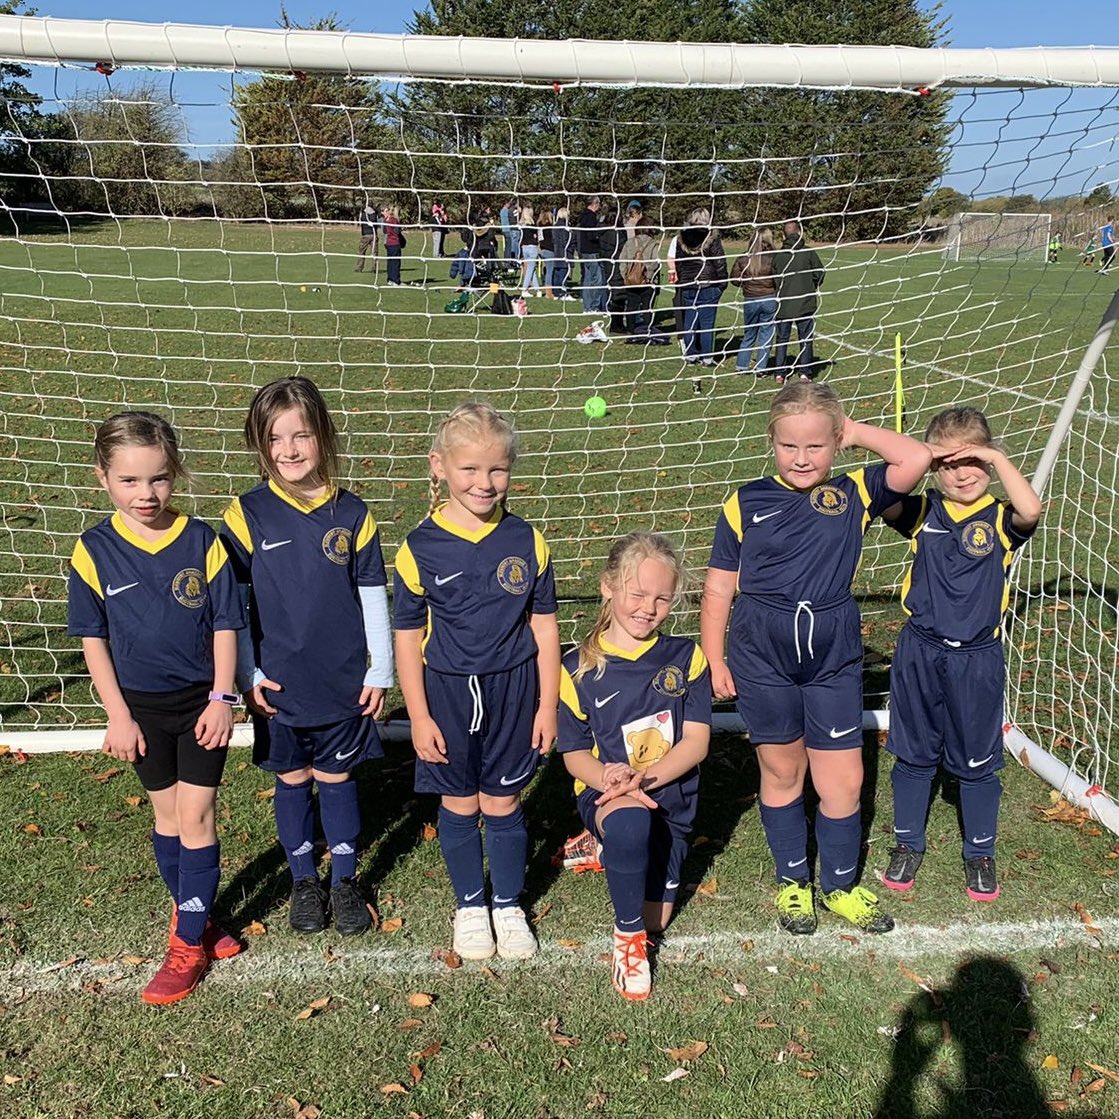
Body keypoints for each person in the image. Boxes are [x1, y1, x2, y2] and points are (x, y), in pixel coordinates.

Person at [700, 382, 931, 936]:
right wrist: (714, 656)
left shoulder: (854, 491)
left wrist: (851, 432)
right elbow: (717, 588)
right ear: (771, 444)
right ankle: (794, 882)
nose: (802, 459)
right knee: (783, 770)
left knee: (844, 781)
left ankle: (842, 886)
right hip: (762, 652)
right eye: (789, 446)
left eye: (816, 446)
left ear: (834, 444)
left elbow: (916, 457)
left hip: (831, 652)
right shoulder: (745, 501)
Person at [68, 412, 245, 1005]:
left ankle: (186, 945)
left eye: (160, 480)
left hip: (200, 707)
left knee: (197, 819)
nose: (146, 494)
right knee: (167, 820)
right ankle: (197, 919)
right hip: (140, 712)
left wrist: (224, 697)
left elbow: (226, 623)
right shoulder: (93, 550)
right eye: (130, 482)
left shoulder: (202, 542)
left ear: (176, 475)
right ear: (103, 478)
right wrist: (117, 714)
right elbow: (94, 640)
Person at [222, 377, 393, 938]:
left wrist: (380, 669)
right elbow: (234, 606)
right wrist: (249, 673)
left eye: (302, 435)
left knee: (337, 777)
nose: (290, 450)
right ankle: (302, 880)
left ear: (323, 435)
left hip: (342, 680)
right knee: (292, 779)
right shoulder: (246, 514)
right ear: (260, 445)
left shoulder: (352, 513)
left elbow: (372, 594)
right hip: (278, 685)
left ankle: (344, 880)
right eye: (276, 439)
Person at [394, 403, 561, 962]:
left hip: (514, 691)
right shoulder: (419, 547)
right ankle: (470, 905)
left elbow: (543, 625)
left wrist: (547, 704)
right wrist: (417, 714)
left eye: (497, 470)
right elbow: (407, 637)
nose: (484, 483)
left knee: (504, 799)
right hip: (445, 693)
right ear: (439, 466)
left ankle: (508, 904)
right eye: (469, 470)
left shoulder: (527, 540)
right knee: (460, 803)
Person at [879, 407, 1041, 902]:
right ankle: (907, 843)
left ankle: (980, 852)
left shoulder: (1001, 520)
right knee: (913, 753)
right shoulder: (923, 512)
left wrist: (993, 454)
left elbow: (1031, 510)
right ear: (933, 468)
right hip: (920, 652)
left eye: (973, 461)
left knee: (976, 761)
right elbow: (886, 494)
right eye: (949, 463)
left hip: (977, 658)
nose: (963, 472)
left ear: (990, 463)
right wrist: (921, 455)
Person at [558, 533, 711, 1001]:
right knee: (628, 824)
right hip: (610, 793)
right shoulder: (577, 669)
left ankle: (602, 851)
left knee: (657, 918)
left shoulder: (687, 658)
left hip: (667, 792)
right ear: (608, 586)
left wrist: (646, 777)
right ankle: (629, 944)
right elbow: (574, 754)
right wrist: (610, 778)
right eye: (637, 594)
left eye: (662, 599)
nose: (648, 607)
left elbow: (697, 742)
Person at [675, 208, 729, 367]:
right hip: (708, 285)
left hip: (690, 285)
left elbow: (679, 263)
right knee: (707, 323)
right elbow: (720, 263)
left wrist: (684, 280)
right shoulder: (712, 238)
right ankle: (706, 357)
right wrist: (722, 284)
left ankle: (691, 355)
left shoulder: (681, 238)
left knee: (690, 322)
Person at [772, 220, 825, 382]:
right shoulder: (808, 253)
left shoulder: (779, 256)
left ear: (783, 235)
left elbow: (774, 279)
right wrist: (810, 286)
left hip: (785, 304)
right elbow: (820, 273)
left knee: (782, 339)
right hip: (804, 303)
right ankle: (804, 372)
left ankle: (780, 373)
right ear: (800, 234)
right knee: (805, 338)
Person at [731, 228, 778, 376]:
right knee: (766, 333)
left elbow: (733, 278)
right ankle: (761, 368)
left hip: (750, 300)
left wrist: (746, 285)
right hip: (769, 298)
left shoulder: (744, 258)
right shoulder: (774, 257)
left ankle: (741, 366)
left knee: (749, 334)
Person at [615, 214, 661, 333]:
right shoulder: (653, 244)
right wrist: (649, 277)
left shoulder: (629, 242)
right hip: (647, 282)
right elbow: (655, 262)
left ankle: (630, 329)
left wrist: (625, 275)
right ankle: (647, 329)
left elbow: (622, 260)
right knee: (647, 306)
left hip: (631, 281)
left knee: (631, 306)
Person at [577, 195, 606, 313]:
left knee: (588, 279)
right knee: (597, 279)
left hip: (584, 251)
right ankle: (594, 306)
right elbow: (591, 235)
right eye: (598, 204)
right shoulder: (590, 217)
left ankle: (587, 306)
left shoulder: (583, 216)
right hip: (591, 251)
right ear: (595, 204)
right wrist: (599, 235)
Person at [518, 205, 542, 297]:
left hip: (524, 247)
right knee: (530, 269)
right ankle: (524, 289)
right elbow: (536, 236)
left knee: (532, 270)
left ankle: (538, 290)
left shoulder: (521, 225)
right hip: (532, 247)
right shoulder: (533, 224)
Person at [551, 207, 574, 299]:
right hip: (564, 253)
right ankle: (562, 292)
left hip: (556, 252)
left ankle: (556, 292)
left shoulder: (555, 226)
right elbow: (565, 241)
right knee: (563, 273)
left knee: (557, 272)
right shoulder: (565, 227)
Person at [355, 198, 379, 275]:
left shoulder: (363, 214)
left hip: (365, 235)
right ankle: (374, 268)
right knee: (374, 253)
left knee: (361, 252)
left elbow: (360, 222)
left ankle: (359, 268)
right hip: (374, 235)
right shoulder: (374, 214)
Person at [383, 205, 404, 286]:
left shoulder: (386, 220)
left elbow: (385, 231)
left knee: (390, 262)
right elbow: (397, 231)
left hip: (388, 243)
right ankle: (396, 280)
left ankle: (390, 279)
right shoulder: (394, 220)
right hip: (395, 243)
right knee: (396, 262)